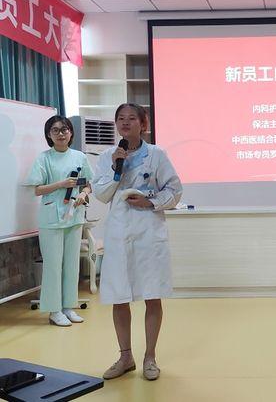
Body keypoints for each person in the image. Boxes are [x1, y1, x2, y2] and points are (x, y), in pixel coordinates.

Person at [92, 103, 182, 381]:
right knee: (119, 297)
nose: (125, 122)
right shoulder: (107, 156)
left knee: (152, 295)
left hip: (148, 231)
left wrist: (150, 202)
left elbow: (175, 190)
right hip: (119, 233)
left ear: (143, 124)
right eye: (121, 118)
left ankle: (150, 357)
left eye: (132, 118)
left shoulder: (157, 154)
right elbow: (101, 195)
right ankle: (125, 357)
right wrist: (116, 169)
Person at [25, 115, 93, 327]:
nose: (61, 133)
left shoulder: (80, 157)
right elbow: (37, 189)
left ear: (71, 132)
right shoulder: (44, 158)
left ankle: (68, 307)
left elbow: (87, 183)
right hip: (51, 218)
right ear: (49, 135)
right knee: (53, 266)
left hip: (74, 215)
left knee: (72, 265)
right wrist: (61, 184)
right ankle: (54, 310)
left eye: (64, 129)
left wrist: (83, 193)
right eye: (55, 130)